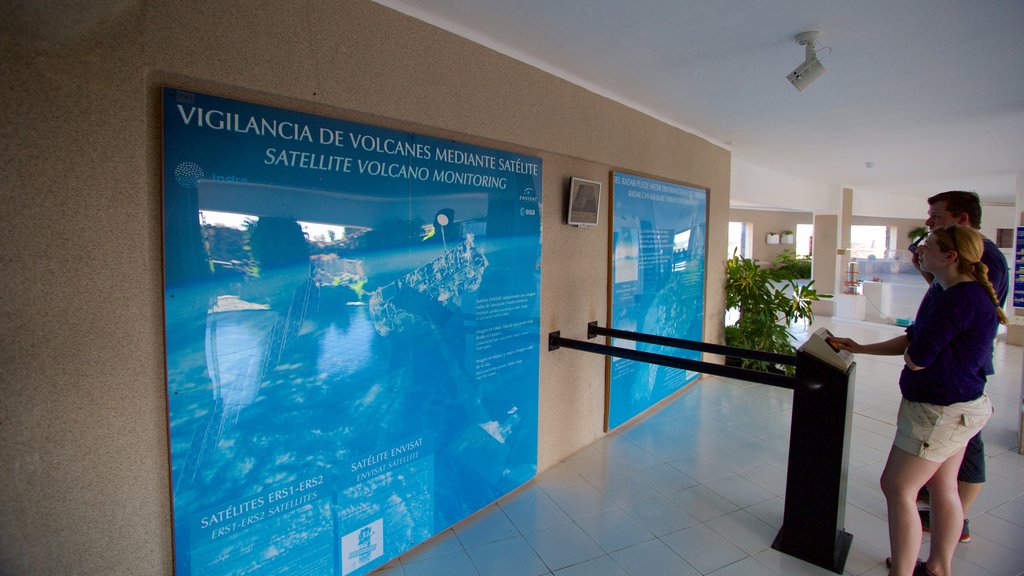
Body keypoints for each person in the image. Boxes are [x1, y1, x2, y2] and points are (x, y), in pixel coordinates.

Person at [830, 225, 1005, 576]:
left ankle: (904, 571)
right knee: (943, 485)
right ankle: (938, 566)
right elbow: (912, 339)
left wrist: (916, 357)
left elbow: (918, 356)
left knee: (897, 486)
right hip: (957, 405)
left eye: (928, 247)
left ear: (950, 256)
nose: (920, 252)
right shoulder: (945, 290)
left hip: (940, 411)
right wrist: (859, 347)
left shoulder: (960, 298)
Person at [912, 191, 1008, 543]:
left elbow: (966, 310)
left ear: (962, 219)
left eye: (936, 216)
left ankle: (957, 521)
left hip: (957, 380)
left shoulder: (987, 260)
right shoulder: (963, 267)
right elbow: (949, 298)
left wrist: (919, 352)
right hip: (945, 374)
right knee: (954, 450)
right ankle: (943, 510)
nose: (929, 223)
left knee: (965, 448)